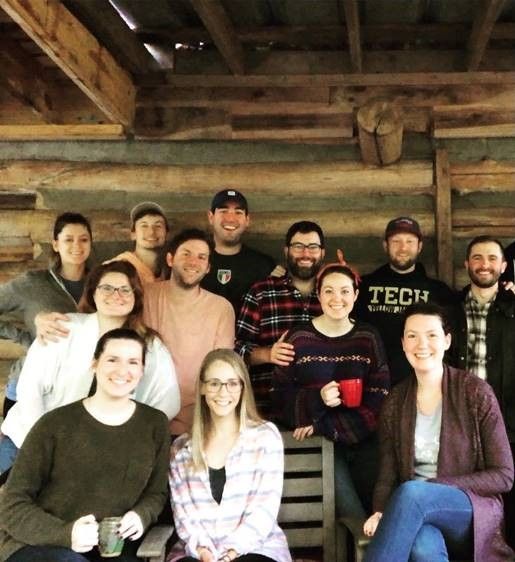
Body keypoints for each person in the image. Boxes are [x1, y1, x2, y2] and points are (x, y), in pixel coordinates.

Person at [0, 328, 169, 562]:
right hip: (41, 545)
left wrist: (141, 516)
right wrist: (67, 533)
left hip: (110, 547)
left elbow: (156, 493)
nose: (123, 370)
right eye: (112, 360)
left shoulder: (154, 424)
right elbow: (12, 504)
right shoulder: (54, 424)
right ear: (94, 364)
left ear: (141, 371)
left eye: (132, 362)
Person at [362, 303, 514, 562]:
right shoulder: (395, 401)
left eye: (431, 335)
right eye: (412, 335)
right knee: (423, 544)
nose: (422, 344)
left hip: (471, 510)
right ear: (403, 343)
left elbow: (504, 476)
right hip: (413, 509)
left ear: (447, 340)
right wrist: (379, 511)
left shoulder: (476, 393)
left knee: (413, 493)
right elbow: (387, 473)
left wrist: (435, 486)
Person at [0, 260, 179, 475]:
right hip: (31, 439)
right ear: (93, 293)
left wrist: (129, 435)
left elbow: (168, 401)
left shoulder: (150, 345)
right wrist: (44, 444)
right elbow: (30, 389)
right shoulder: (63, 328)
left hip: (99, 453)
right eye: (107, 288)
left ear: (136, 297)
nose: (116, 294)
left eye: (125, 289)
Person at [272, 263, 389, 517]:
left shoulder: (368, 337)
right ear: (319, 294)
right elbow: (279, 397)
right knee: (354, 517)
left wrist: (324, 424)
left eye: (345, 291)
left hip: (364, 442)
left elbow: (379, 399)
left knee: (378, 512)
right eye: (329, 291)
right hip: (320, 446)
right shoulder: (298, 337)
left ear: (356, 296)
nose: (338, 299)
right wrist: (317, 399)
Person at [168, 348, 291, 562]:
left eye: (232, 383)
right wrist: (205, 553)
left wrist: (230, 553)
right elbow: (184, 516)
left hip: (256, 548)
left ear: (243, 388)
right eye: (214, 383)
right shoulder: (182, 449)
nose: (223, 392)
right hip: (198, 552)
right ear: (203, 388)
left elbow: (264, 510)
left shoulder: (264, 437)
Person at [447, 235, 515, 548]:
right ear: (466, 264)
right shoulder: (450, 311)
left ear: (503, 266)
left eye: (491, 258)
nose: (484, 264)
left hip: (508, 417)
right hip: (462, 420)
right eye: (477, 257)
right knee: (470, 500)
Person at [0, 212, 93, 416]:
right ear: (55, 244)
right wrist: (25, 337)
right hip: (28, 387)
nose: (77, 246)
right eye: (68, 239)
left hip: (79, 392)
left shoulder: (101, 286)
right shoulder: (32, 283)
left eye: (83, 239)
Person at [144, 228, 235, 435]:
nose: (193, 262)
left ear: (208, 267)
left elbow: (221, 366)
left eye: (202, 257)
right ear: (170, 259)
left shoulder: (221, 308)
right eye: (186, 254)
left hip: (197, 423)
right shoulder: (145, 295)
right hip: (146, 416)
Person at [236, 221, 325, 415]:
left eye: (313, 247)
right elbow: (234, 349)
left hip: (322, 410)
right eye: (298, 246)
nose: (305, 254)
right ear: (286, 251)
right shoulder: (261, 292)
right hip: (266, 409)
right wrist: (268, 354)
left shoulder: (334, 295)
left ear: (322, 253)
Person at [355, 216, 455, 386]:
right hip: (371, 384)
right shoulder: (364, 286)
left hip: (420, 385)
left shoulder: (438, 291)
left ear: (420, 246)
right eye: (396, 241)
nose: (403, 248)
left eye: (410, 241)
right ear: (385, 245)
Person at [201, 189, 276, 314]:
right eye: (224, 211)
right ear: (211, 217)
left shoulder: (263, 264)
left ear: (247, 219)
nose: (230, 219)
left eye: (238, 212)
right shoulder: (195, 261)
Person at [108, 201, 169, 284]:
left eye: (158, 226)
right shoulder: (115, 267)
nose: (151, 232)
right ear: (133, 234)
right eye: (144, 226)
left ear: (167, 234)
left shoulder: (173, 268)